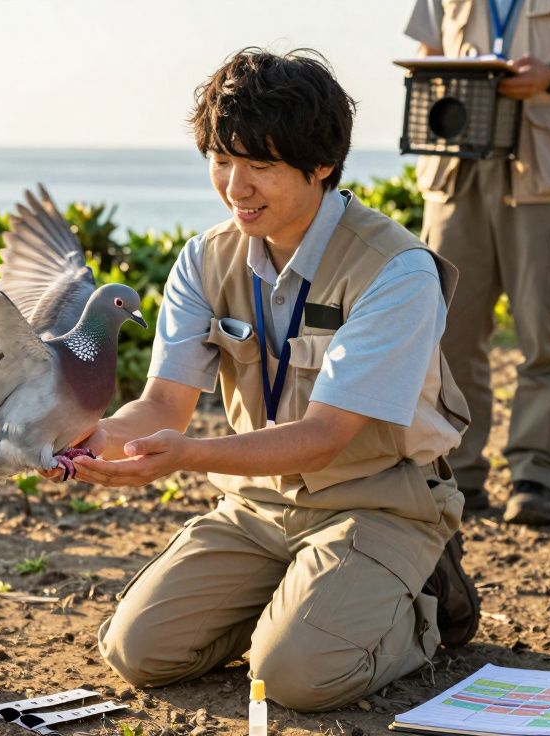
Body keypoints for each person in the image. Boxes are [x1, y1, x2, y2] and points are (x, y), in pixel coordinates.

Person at [57, 48, 479, 712]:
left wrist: (187, 456)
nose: (236, 187)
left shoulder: (396, 269)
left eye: (261, 165)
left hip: (377, 502)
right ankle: (307, 601)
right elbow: (163, 403)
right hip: (257, 505)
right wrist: (94, 436)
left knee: (295, 678)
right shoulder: (204, 258)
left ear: (322, 165)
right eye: (222, 160)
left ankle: (422, 603)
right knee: (137, 652)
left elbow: (325, 436)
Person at [405, 0, 550, 524]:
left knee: (547, 334)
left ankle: (536, 477)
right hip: (456, 169)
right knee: (446, 334)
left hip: (548, 172)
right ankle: (456, 473)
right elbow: (428, 49)